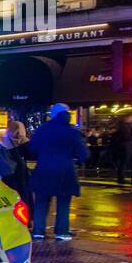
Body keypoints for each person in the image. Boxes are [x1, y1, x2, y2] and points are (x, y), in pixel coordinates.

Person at [28, 103, 88, 241]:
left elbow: (32, 149)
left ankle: (38, 231)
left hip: (44, 169)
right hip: (65, 171)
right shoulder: (71, 131)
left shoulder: (42, 130)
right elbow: (83, 154)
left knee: (41, 202)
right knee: (63, 202)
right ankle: (62, 231)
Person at [2, 118, 32, 215]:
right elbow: (31, 155)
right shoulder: (24, 142)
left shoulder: (3, 141)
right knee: (23, 193)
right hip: (20, 173)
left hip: (8, 173)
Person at [112, 115, 132, 185]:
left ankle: (122, 178)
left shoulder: (126, 125)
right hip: (125, 146)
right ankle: (121, 178)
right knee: (124, 162)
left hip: (125, 146)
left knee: (124, 162)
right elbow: (126, 136)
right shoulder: (124, 126)